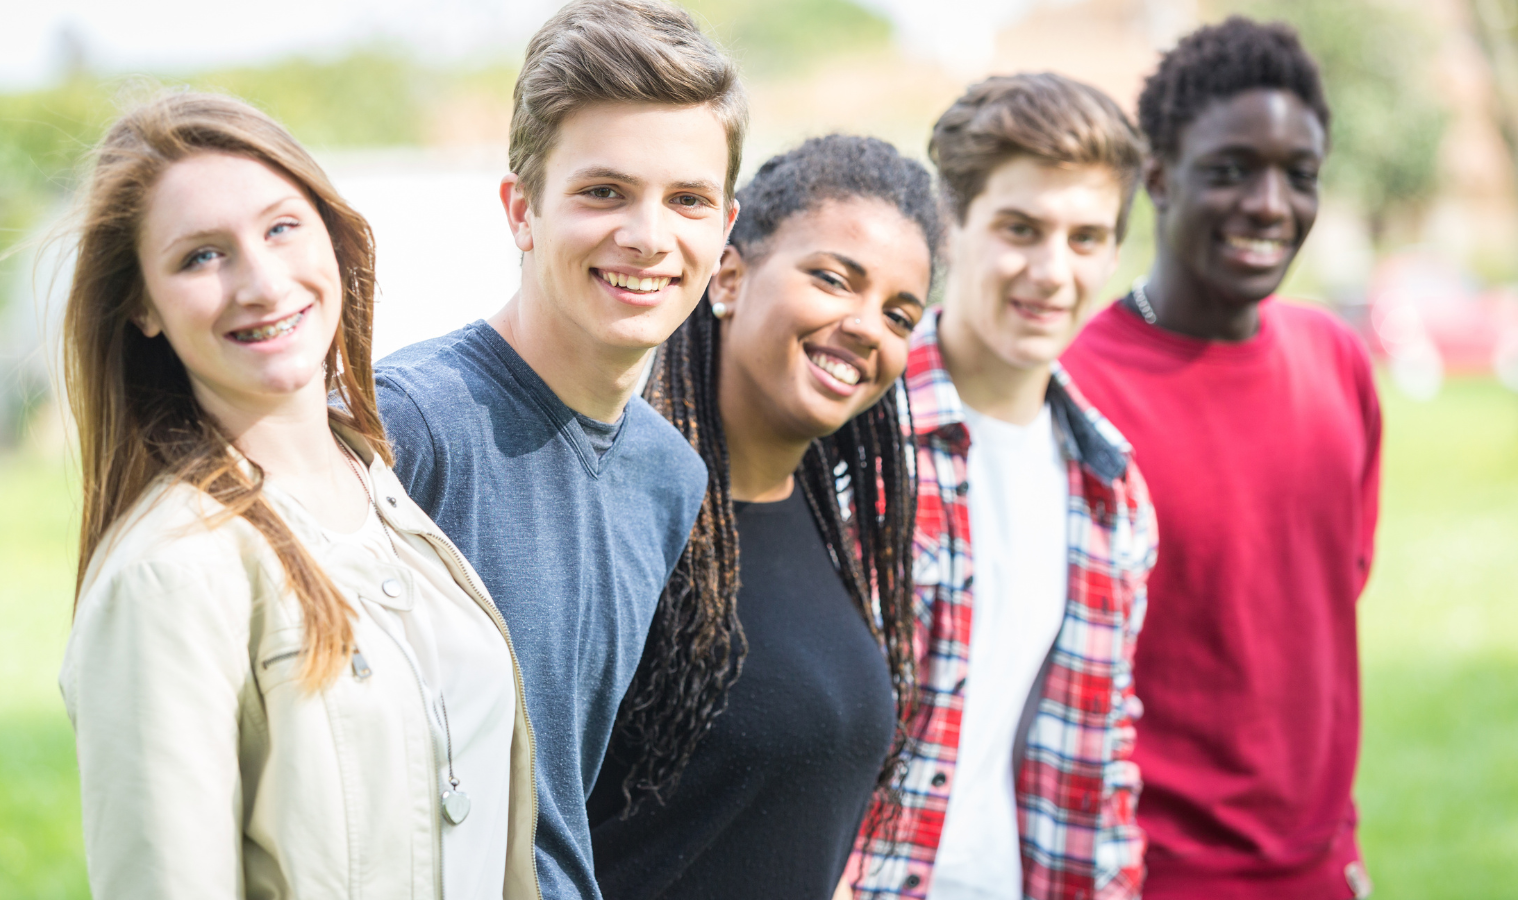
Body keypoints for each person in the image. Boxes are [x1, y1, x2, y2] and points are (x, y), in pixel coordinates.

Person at [58, 92, 538, 899]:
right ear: (141, 304)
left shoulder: (383, 492)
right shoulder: (168, 576)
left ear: (330, 234)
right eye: (200, 256)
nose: (262, 281)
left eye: (282, 227)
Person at [371, 2, 745, 898]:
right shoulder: (409, 424)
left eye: (687, 200)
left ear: (724, 228)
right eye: (603, 192)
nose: (649, 237)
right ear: (521, 208)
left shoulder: (671, 474)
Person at [1059, 18, 1383, 900]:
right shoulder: (1074, 397)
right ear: (1158, 177)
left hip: (1322, 873)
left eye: (1299, 176)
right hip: (1150, 876)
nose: (1271, 204)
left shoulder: (1338, 360)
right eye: (1232, 170)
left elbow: (1323, 604)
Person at [586, 134, 938, 900]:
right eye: (833, 279)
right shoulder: (611, 516)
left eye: (900, 315)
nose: (868, 325)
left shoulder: (831, 528)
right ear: (731, 277)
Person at [844, 74, 1157, 900]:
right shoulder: (854, 441)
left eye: (1086, 238)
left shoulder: (1111, 486)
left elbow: (1103, 742)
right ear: (949, 229)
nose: (1053, 271)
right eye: (1022, 228)